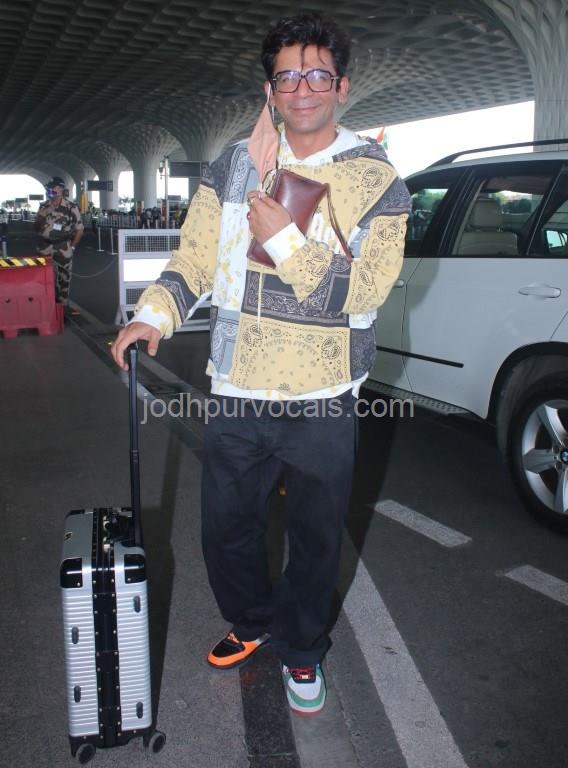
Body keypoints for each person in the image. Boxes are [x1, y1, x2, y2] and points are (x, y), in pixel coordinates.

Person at [111, 12, 410, 716]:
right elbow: (194, 257)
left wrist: (285, 240)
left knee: (315, 537)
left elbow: (366, 291)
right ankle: (251, 621)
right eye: (287, 76)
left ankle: (302, 649)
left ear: (341, 86)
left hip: (324, 394)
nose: (302, 88)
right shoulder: (234, 165)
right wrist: (154, 313)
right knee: (225, 529)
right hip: (237, 387)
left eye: (317, 75)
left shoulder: (375, 177)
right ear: (270, 88)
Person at [35, 177, 84, 305]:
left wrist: (72, 247)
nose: (50, 189)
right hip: (44, 247)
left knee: (64, 278)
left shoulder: (71, 207)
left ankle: (61, 306)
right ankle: (46, 304)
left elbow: (79, 230)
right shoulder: (44, 205)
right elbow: (36, 227)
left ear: (61, 188)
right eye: (49, 187)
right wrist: (41, 217)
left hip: (63, 247)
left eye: (53, 187)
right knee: (43, 277)